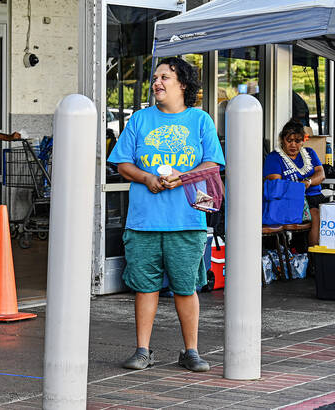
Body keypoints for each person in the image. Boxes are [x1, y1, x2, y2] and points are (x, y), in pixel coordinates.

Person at [108, 56, 225, 372]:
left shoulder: (200, 121)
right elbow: (122, 163)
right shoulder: (139, 120)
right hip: (143, 221)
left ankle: (191, 351)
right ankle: (143, 350)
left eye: (165, 78)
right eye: (155, 78)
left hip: (187, 220)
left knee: (186, 287)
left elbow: (213, 163)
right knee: (145, 287)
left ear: (183, 85)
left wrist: (182, 177)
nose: (157, 83)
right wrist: (146, 177)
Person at [263, 119, 326, 245]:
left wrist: (307, 182)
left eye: (297, 141)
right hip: (289, 200)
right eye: (289, 140)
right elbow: (277, 185)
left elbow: (321, 175)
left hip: (315, 197)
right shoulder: (274, 158)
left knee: (327, 212)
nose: (293, 145)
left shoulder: (310, 153)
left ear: (303, 141)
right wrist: (299, 187)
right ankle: (314, 256)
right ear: (282, 140)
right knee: (316, 214)